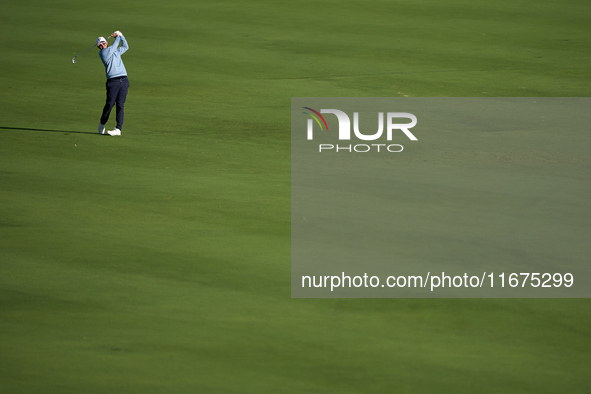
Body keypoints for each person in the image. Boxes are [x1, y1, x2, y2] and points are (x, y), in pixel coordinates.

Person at [97, 31, 129, 136]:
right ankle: (102, 122)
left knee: (120, 105)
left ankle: (118, 129)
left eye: (103, 42)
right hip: (113, 82)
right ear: (99, 47)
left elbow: (125, 47)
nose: (102, 44)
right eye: (100, 44)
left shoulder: (114, 51)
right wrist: (117, 36)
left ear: (106, 42)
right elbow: (115, 45)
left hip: (123, 80)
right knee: (110, 104)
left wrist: (122, 36)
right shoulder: (103, 53)